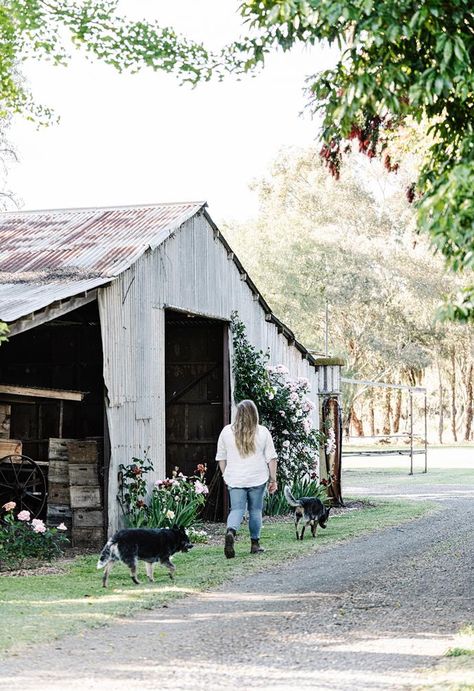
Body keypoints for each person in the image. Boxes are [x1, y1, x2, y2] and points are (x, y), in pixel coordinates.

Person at [215, 399, 278, 558]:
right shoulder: (262, 432)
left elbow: (221, 458)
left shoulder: (226, 432)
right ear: (254, 414)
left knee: (236, 509)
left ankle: (231, 531)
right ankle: (255, 545)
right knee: (255, 510)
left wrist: (225, 475)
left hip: (235, 478)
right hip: (257, 477)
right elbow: (271, 458)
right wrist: (273, 479)